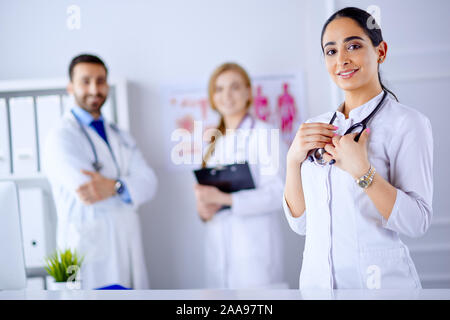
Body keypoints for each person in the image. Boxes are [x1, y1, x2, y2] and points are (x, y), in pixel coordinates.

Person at [283, 7, 433, 289]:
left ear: (381, 51)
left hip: (381, 288)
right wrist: (292, 161)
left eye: (353, 45)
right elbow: (301, 225)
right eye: (331, 51)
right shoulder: (315, 127)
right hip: (317, 287)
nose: (342, 59)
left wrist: (363, 172)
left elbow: (417, 222)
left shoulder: (408, 124)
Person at [43, 54, 158, 289]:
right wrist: (126, 187)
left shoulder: (121, 135)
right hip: (86, 247)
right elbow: (88, 189)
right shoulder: (61, 136)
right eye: (85, 81)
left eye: (100, 81)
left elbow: (149, 183)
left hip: (125, 245)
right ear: (70, 87)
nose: (94, 89)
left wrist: (115, 186)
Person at [193, 62, 286, 289]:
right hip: (219, 248)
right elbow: (209, 195)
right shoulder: (214, 142)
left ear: (248, 92)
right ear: (212, 97)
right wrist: (204, 211)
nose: (226, 95)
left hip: (255, 250)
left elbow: (279, 193)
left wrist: (224, 199)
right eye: (219, 89)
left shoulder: (265, 134)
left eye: (234, 87)